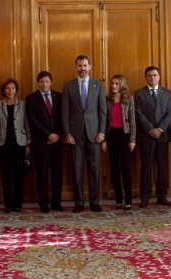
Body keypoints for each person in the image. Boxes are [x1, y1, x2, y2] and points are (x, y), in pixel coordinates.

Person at [61, 55, 107, 213]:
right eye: (79, 66)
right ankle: (79, 202)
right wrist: (67, 133)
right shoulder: (68, 86)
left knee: (94, 170)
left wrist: (102, 132)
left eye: (85, 65)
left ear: (90, 67)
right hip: (75, 135)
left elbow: (103, 111)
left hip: (94, 134)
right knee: (77, 168)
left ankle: (95, 202)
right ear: (76, 67)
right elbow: (65, 112)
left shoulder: (98, 85)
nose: (82, 68)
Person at [134, 66, 171, 208]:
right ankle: (145, 196)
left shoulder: (167, 93)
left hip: (162, 136)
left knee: (162, 166)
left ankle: (161, 196)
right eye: (149, 75)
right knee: (146, 167)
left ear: (159, 76)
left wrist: (160, 129)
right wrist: (151, 129)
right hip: (146, 136)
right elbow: (138, 114)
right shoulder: (139, 93)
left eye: (155, 75)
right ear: (146, 77)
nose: (152, 78)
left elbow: (169, 114)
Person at [26, 71, 64, 213]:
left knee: (57, 174)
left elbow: (63, 118)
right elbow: (33, 121)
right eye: (42, 81)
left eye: (47, 81)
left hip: (57, 142)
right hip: (41, 142)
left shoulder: (59, 97)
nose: (44, 84)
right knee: (41, 174)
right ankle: (43, 203)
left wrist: (57, 135)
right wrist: (48, 135)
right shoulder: (31, 99)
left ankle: (56, 202)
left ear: (51, 82)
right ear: (38, 82)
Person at [0, 78, 31, 213]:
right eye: (8, 88)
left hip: (19, 143)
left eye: (13, 88)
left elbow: (26, 123)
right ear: (4, 91)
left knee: (18, 175)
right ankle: (8, 204)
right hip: (3, 143)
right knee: (5, 175)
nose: (10, 91)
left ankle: (18, 203)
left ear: (16, 90)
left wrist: (28, 142)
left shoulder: (23, 104)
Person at [102, 74, 136, 210]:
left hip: (125, 135)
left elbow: (133, 120)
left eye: (117, 84)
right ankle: (118, 200)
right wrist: (103, 139)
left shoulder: (129, 99)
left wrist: (133, 139)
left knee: (125, 168)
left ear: (122, 85)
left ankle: (128, 200)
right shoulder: (107, 100)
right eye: (112, 84)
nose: (114, 86)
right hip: (111, 136)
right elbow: (104, 121)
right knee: (114, 168)